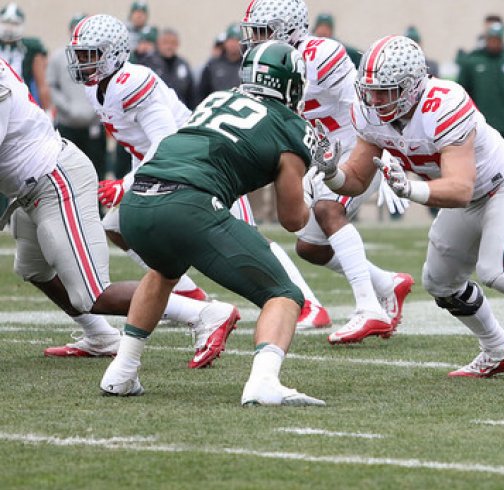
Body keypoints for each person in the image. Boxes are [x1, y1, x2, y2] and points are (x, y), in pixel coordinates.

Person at [314, 35, 504, 383]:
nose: (375, 100)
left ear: (413, 86)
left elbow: (460, 188)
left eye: (386, 91)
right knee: (439, 281)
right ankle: (498, 350)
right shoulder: (369, 113)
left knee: (499, 271)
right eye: (370, 90)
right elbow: (355, 180)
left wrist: (412, 188)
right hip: (467, 194)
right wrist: (331, 172)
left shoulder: (443, 103)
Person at [100, 41, 325, 407]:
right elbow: (292, 218)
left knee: (162, 271)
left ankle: (121, 371)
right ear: (292, 84)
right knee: (284, 294)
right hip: (189, 204)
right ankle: (264, 382)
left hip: (137, 200)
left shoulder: (216, 99)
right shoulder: (290, 126)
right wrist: (311, 186)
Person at [70, 14, 321, 331]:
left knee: (252, 236)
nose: (81, 62)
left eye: (89, 54)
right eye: (79, 54)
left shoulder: (131, 82)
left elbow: (164, 139)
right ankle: (191, 294)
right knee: (117, 226)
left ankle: (310, 304)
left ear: (114, 52)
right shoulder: (96, 88)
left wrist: (127, 184)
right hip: (165, 166)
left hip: (202, 164)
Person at [0, 48, 239, 367]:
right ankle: (100, 336)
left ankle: (205, 313)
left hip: (54, 179)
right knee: (34, 269)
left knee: (91, 293)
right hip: (27, 186)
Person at [240, 0, 413, 340]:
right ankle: (388, 284)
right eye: (254, 32)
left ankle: (369, 309)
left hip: (356, 149)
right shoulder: (264, 64)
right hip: (321, 157)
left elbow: (368, 105)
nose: (255, 40)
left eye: (264, 31)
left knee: (328, 208)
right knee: (310, 248)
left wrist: (388, 152)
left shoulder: (322, 54)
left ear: (289, 28)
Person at [47, 14, 106, 177]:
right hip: (68, 123)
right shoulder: (59, 57)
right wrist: (67, 108)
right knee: (67, 171)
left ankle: (96, 203)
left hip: (94, 125)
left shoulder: (101, 55)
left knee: (95, 171)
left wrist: (96, 109)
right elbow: (52, 86)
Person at [457, 21, 504, 143]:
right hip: (479, 124)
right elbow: (462, 90)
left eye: (497, 40)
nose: (494, 43)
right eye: (491, 39)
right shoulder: (473, 61)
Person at [0, 3, 50, 110]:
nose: (9, 29)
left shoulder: (31, 48)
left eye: (14, 24)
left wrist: (47, 111)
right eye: (6, 23)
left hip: (21, 103)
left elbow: (42, 85)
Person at [143, 28, 194, 108]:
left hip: (180, 113)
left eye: (173, 43)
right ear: (158, 43)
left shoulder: (183, 65)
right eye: (165, 42)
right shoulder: (147, 63)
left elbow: (191, 94)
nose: (169, 46)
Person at [197, 23, 243, 101]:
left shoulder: (247, 65)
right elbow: (201, 93)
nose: (234, 44)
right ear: (225, 42)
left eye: (237, 40)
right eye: (231, 40)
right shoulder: (213, 65)